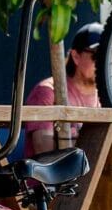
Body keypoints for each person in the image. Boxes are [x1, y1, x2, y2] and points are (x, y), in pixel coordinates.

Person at [23, 22, 103, 156]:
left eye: (110, 56)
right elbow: (45, 155)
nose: (104, 62)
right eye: (97, 56)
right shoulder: (47, 92)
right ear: (76, 56)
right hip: (57, 176)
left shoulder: (111, 101)